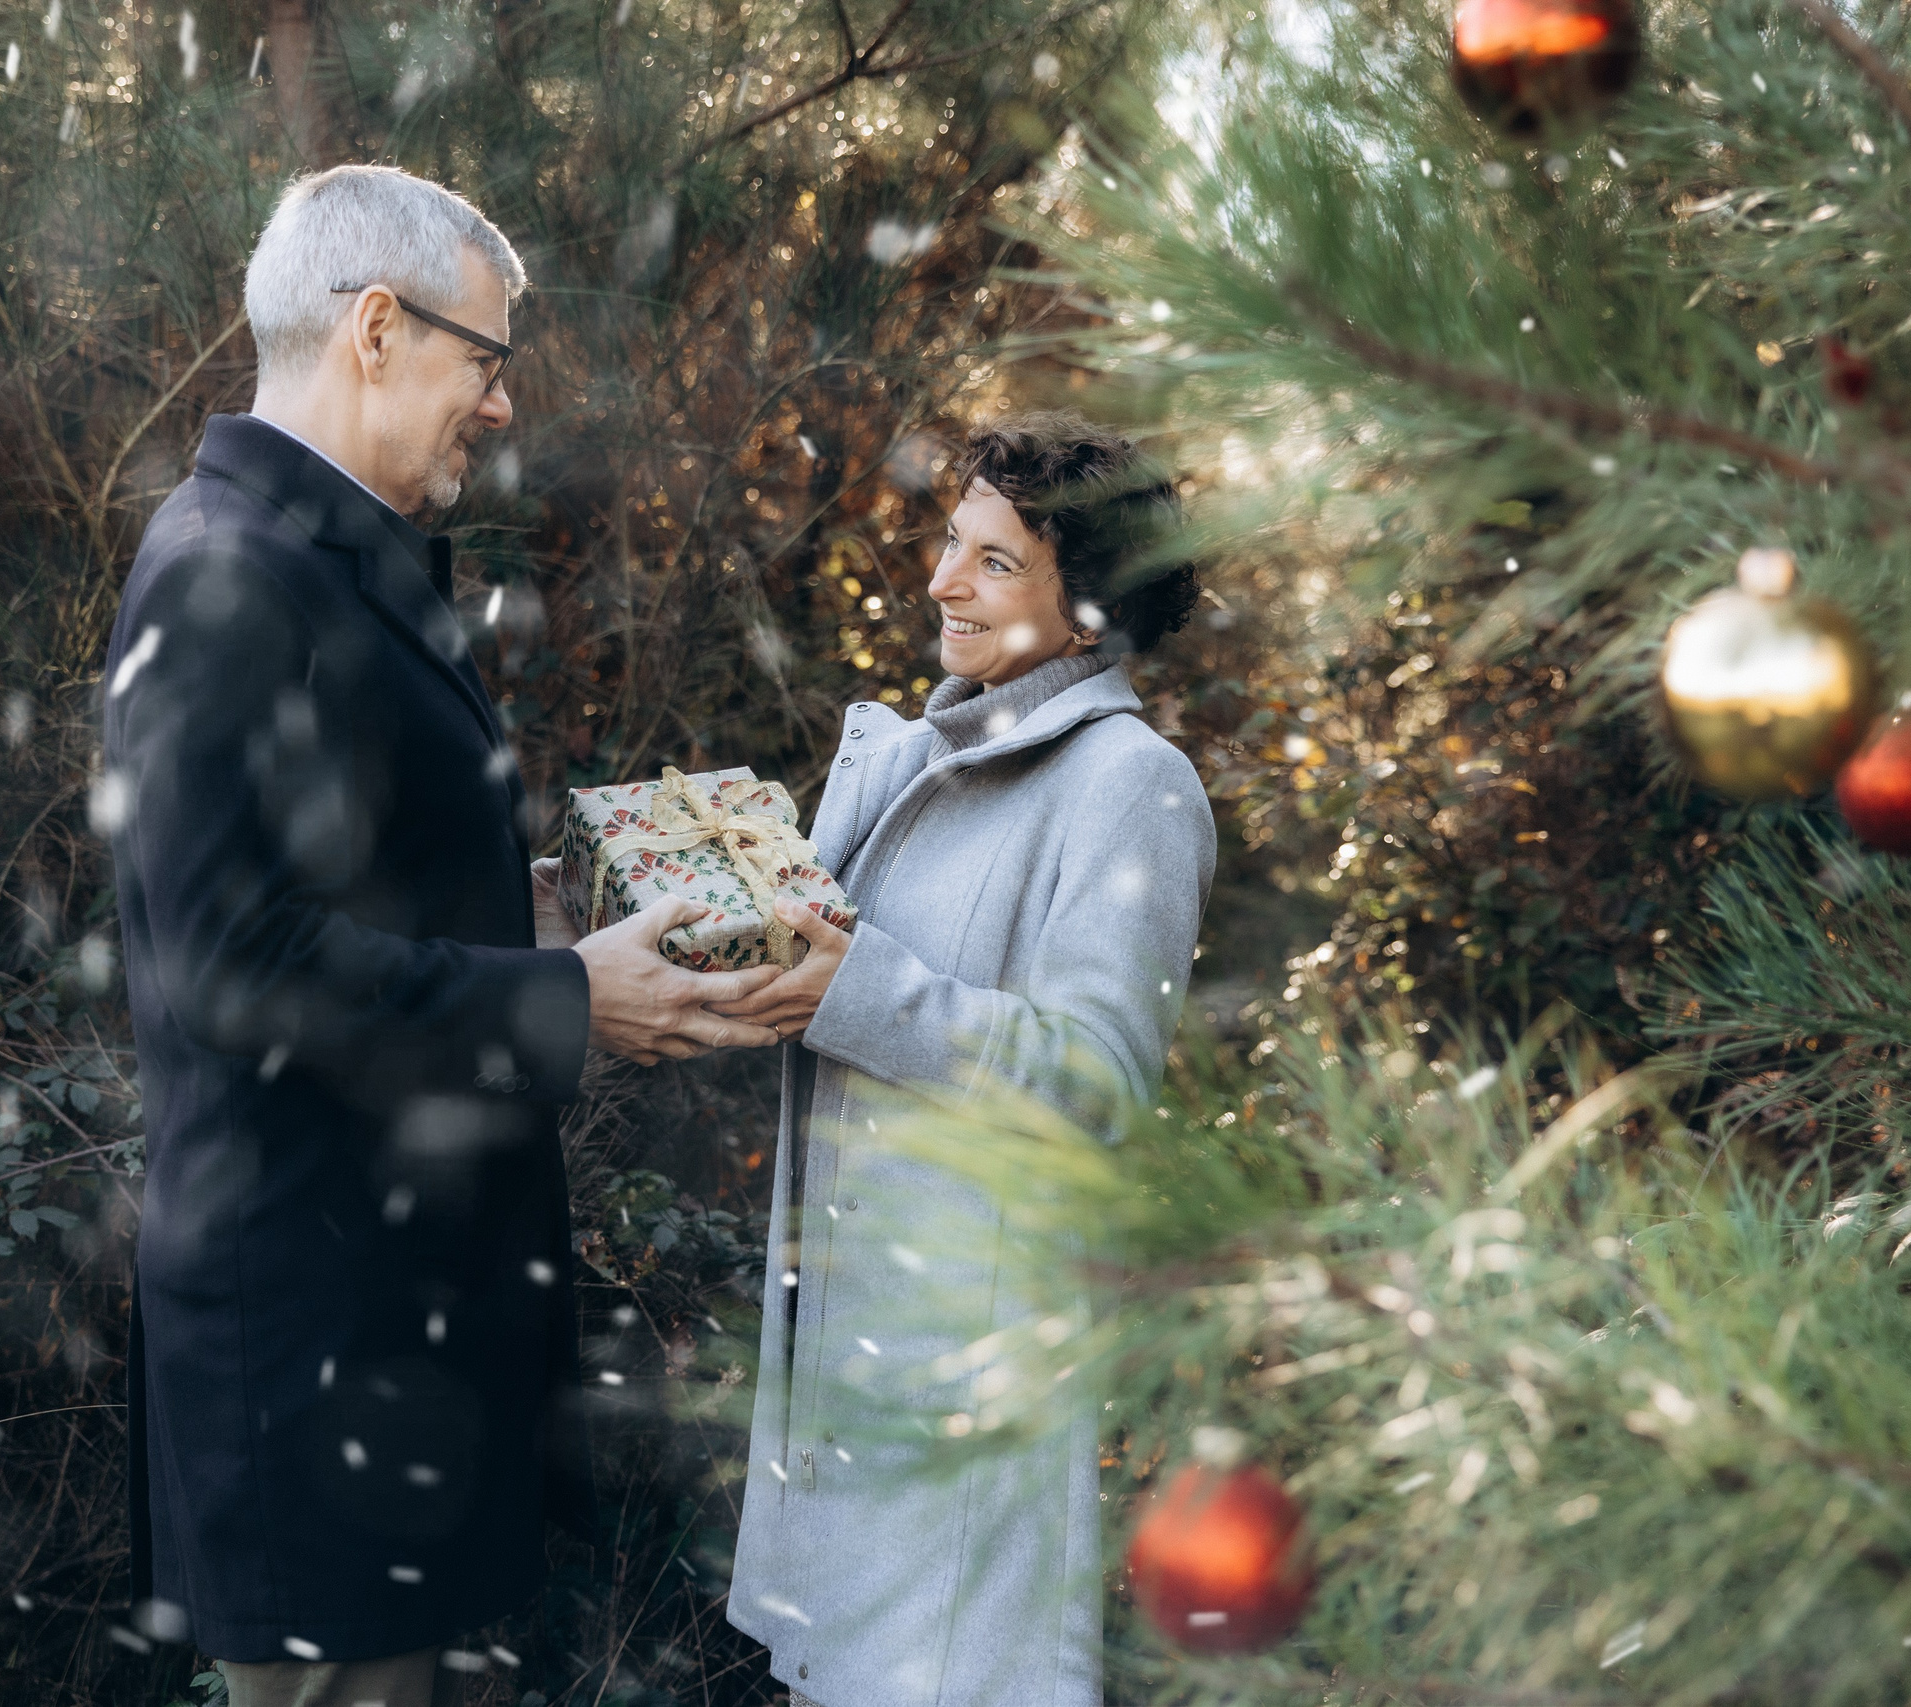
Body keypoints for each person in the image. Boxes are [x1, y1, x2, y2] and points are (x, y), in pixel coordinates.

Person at [100, 165, 783, 1707]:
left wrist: (526, 917)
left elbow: (333, 888)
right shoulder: (225, 575)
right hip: (313, 1341)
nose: (499, 402)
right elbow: (231, 966)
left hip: (397, 1333)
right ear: (376, 329)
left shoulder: (325, 554)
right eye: (486, 358)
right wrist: (564, 1004)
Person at [716, 413, 1214, 1706]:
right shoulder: (914, 757)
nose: (943, 582)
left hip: (969, 1373)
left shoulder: (1133, 785)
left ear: (1091, 612)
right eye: (951, 543)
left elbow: (1096, 1084)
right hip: (839, 1363)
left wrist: (858, 989)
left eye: (995, 562)